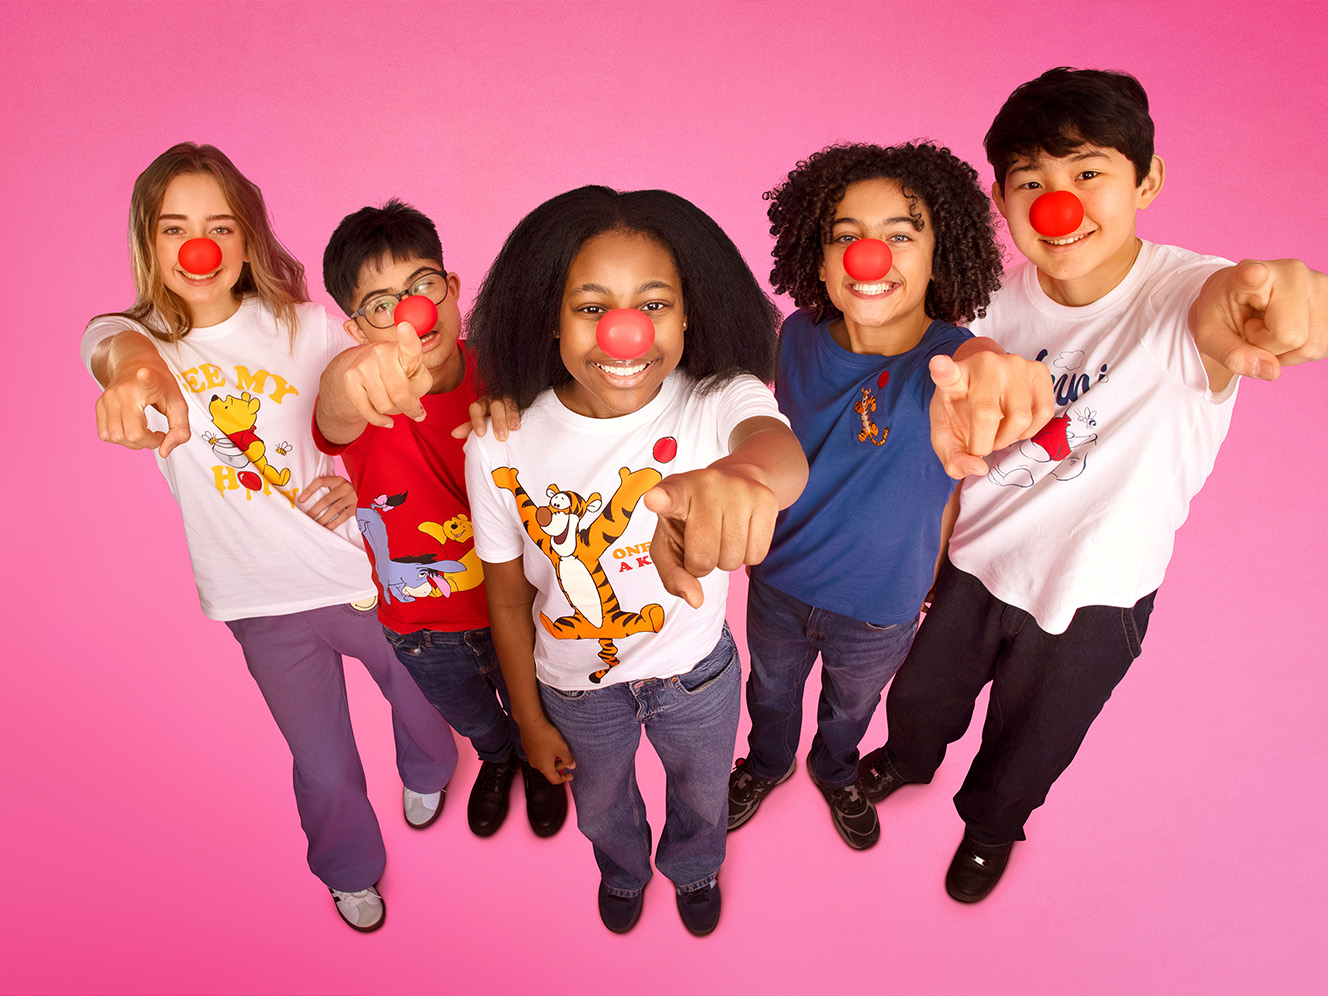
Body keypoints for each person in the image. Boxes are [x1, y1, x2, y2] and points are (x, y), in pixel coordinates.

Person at [856, 67, 1328, 903]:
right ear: (1001, 200)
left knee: (1036, 738)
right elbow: (953, 421)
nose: (1058, 207)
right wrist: (934, 546)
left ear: (1146, 180)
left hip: (1097, 595)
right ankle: (905, 760)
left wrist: (1288, 301)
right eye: (1030, 183)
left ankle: (990, 830)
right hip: (975, 568)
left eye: (1087, 173)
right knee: (922, 695)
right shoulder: (992, 303)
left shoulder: (1188, 296)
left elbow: (1233, 304)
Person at [81, 144, 458, 933]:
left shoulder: (304, 326)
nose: (199, 248)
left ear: (249, 239)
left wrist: (362, 485)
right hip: (260, 603)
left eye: (220, 227)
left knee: (427, 695)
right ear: (149, 242)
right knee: (322, 762)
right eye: (175, 228)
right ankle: (349, 870)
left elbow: (363, 408)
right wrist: (136, 373)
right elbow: (107, 343)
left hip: (357, 574)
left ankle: (431, 768)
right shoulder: (139, 343)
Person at [462, 185, 809, 937]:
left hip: (695, 675)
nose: (626, 333)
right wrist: (527, 717)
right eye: (592, 307)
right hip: (574, 690)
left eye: (654, 304)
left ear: (689, 315)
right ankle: (622, 872)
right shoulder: (499, 441)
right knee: (599, 806)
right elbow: (507, 597)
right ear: (550, 320)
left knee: (703, 795)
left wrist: (744, 476)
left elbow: (773, 446)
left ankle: (695, 868)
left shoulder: (716, 399)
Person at [728, 142, 1053, 850]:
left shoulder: (951, 362)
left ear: (940, 256)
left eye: (900, 236)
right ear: (818, 259)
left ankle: (835, 769)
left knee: (851, 707)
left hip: (881, 608)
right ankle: (767, 763)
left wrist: (991, 368)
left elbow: (976, 366)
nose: (867, 256)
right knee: (770, 693)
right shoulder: (794, 336)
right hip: (778, 583)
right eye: (844, 235)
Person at [313, 199, 567, 840]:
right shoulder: (361, 396)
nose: (410, 313)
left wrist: (516, 404)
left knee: (534, 705)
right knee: (476, 720)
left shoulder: (510, 374)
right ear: (356, 329)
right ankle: (497, 758)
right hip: (421, 630)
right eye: (381, 305)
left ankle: (533, 759)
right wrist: (348, 375)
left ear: (451, 288)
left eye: (421, 285)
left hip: (523, 607)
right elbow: (334, 410)